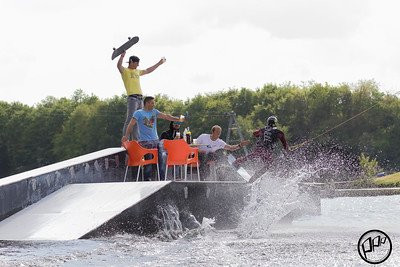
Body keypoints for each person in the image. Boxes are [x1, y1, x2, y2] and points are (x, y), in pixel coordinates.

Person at [121, 96, 183, 180]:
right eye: (152, 103)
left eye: (154, 103)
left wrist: (178, 119)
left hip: (156, 140)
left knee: (163, 153)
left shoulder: (155, 112)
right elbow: (131, 125)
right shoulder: (138, 113)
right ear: (147, 103)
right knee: (149, 156)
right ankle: (148, 178)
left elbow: (166, 116)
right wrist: (126, 136)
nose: (154, 104)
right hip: (145, 141)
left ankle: (162, 177)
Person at [118, 51, 166, 140]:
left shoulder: (137, 71)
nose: (137, 65)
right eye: (136, 63)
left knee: (138, 120)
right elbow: (118, 66)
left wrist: (159, 63)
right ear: (131, 62)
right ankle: (125, 139)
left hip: (140, 98)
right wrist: (122, 56)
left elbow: (148, 70)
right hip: (132, 98)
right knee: (130, 119)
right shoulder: (125, 71)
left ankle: (136, 140)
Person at [233, 115, 288, 182]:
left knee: (252, 156)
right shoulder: (279, 133)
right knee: (269, 164)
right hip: (267, 152)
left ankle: (237, 162)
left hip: (259, 149)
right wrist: (287, 150)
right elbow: (284, 144)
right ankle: (256, 176)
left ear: (268, 122)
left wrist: (260, 132)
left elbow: (254, 134)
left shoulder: (262, 130)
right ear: (275, 123)